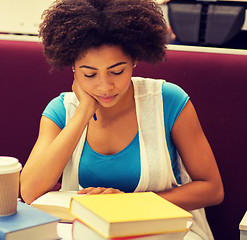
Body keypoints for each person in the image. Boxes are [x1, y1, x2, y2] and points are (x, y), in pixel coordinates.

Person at [20, 0, 224, 239]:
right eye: (89, 74)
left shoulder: (168, 100)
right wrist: (84, 111)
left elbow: (212, 189)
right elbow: (30, 191)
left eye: (117, 71)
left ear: (134, 61)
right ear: (73, 67)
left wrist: (127, 205)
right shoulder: (61, 110)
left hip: (164, 231)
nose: (105, 86)